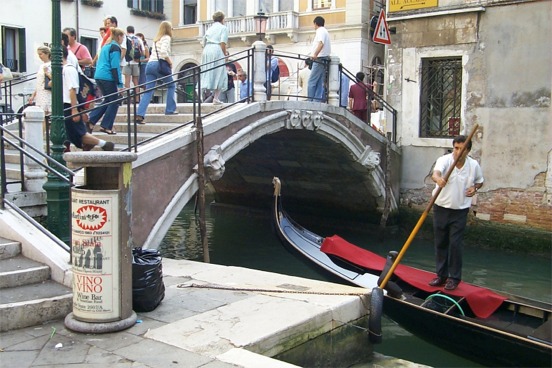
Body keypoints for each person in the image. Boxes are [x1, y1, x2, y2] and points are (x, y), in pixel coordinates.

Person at [429, 135, 484, 291]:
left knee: (455, 244)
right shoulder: (445, 160)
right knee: (441, 242)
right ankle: (441, 275)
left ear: (468, 150)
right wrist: (438, 180)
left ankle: (454, 278)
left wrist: (475, 188)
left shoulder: (473, 165)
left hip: (460, 210)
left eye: (462, 149)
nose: (458, 152)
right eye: (456, 148)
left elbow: (480, 181)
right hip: (440, 207)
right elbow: (436, 174)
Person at [61, 46, 114, 151]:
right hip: (66, 105)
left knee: (78, 133)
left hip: (69, 104)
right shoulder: (62, 70)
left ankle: (104, 144)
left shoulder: (69, 69)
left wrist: (74, 109)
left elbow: (72, 90)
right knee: (68, 133)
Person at [136, 21, 177, 124]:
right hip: (159, 65)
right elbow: (163, 52)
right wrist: (170, 62)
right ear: (168, 29)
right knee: (171, 85)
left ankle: (140, 114)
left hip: (150, 65)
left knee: (148, 90)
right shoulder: (166, 37)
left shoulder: (156, 39)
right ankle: (170, 110)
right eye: (171, 28)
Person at [88, 27, 125, 135]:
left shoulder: (106, 46)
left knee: (108, 100)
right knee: (114, 101)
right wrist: (120, 84)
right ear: (119, 37)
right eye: (122, 37)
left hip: (99, 75)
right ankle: (106, 125)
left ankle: (92, 120)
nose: (123, 40)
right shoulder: (115, 47)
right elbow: (115, 66)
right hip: (107, 77)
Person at [200, 11, 229, 105]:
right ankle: (216, 98)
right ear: (222, 19)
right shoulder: (223, 28)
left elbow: (203, 41)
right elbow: (223, 43)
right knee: (220, 74)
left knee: (206, 71)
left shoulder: (209, 29)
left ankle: (199, 89)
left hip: (207, 49)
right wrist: (225, 55)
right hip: (216, 49)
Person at [307, 16, 331, 102]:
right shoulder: (325, 31)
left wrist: (315, 54)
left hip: (319, 58)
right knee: (320, 81)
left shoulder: (320, 31)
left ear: (316, 23)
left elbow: (321, 43)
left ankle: (310, 101)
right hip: (324, 58)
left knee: (311, 81)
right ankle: (316, 100)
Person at [28, 46, 52, 116]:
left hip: (47, 92)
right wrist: (33, 95)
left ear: (47, 54)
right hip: (40, 92)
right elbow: (39, 82)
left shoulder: (51, 65)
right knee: (41, 115)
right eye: (38, 54)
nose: (39, 56)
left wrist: (47, 73)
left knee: (45, 114)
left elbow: (54, 79)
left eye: (41, 54)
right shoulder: (41, 66)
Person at [123, 25, 145, 100]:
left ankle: (128, 99)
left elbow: (124, 50)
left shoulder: (125, 38)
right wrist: (138, 58)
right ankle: (137, 99)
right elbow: (143, 53)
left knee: (127, 81)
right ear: (134, 31)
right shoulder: (138, 39)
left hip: (127, 62)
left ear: (127, 31)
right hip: (136, 63)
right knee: (136, 82)